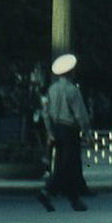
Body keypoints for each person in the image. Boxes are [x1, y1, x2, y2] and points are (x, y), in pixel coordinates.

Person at [37, 53, 92, 212]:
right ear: (71, 72)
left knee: (65, 164)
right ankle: (46, 191)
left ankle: (74, 200)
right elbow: (80, 114)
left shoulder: (52, 90)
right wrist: (87, 133)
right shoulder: (72, 90)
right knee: (67, 166)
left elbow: (45, 112)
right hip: (70, 130)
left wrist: (50, 132)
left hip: (56, 129)